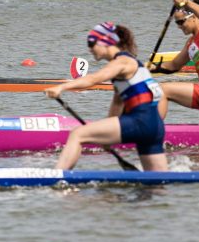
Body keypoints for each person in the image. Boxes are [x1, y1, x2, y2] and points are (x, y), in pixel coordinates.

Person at [45, 22, 168, 171]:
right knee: (157, 183)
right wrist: (108, 137)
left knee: (77, 134)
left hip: (140, 121)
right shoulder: (131, 63)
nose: (89, 48)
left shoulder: (121, 62)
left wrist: (62, 87)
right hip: (154, 126)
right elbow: (117, 103)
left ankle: (57, 176)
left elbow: (93, 79)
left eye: (91, 42)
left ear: (105, 41)